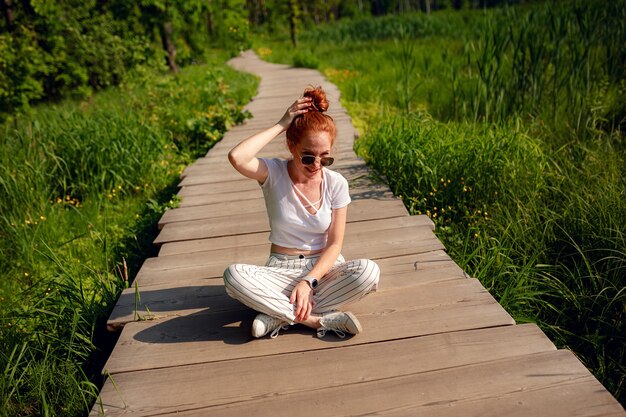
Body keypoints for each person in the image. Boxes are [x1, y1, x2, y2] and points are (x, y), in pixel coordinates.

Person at [223, 86, 380, 339]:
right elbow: (237, 156)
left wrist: (308, 281)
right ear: (291, 146)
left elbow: (335, 245)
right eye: (308, 157)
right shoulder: (272, 173)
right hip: (279, 271)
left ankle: (277, 314)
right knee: (234, 276)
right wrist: (282, 123)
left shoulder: (336, 183)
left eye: (325, 158)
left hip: (323, 271)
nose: (316, 165)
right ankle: (316, 320)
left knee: (369, 272)